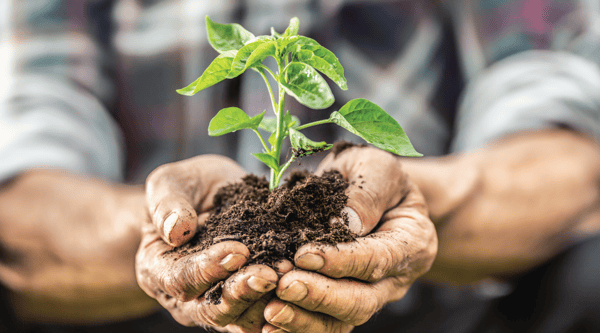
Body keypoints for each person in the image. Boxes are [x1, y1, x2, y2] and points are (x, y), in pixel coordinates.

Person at [0, 1, 599, 332]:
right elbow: (36, 145)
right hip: (130, 305)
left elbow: (557, 130)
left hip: (436, 301)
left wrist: (411, 198)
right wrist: (168, 230)